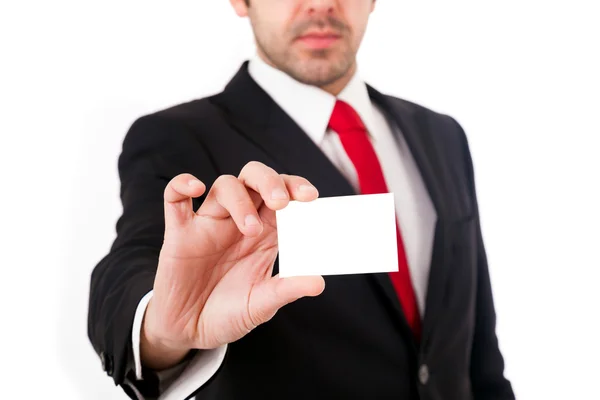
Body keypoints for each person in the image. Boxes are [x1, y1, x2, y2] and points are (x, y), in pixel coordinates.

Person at [88, 0, 515, 399]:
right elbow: (130, 268)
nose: (321, 4)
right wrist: (164, 331)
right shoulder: (178, 140)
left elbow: (478, 350)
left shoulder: (442, 136)